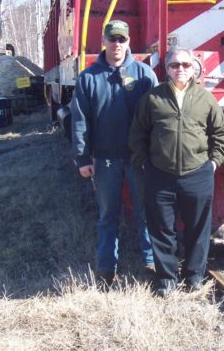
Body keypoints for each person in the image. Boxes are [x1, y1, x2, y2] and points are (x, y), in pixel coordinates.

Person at [129, 48, 224, 297]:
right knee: (162, 228)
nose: (180, 69)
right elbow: (137, 134)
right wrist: (144, 163)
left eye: (185, 64)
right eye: (175, 65)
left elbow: (220, 134)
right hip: (160, 174)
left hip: (197, 173)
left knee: (197, 228)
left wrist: (213, 163)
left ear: (193, 68)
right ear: (166, 69)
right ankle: (167, 278)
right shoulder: (153, 99)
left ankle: (194, 275)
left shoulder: (205, 99)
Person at [71, 19, 158, 285]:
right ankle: (106, 269)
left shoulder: (144, 75)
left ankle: (151, 264)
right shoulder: (88, 78)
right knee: (108, 215)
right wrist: (83, 158)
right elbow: (79, 120)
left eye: (122, 39)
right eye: (113, 39)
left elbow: (158, 117)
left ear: (128, 42)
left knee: (145, 212)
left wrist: (156, 155)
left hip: (138, 159)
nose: (117, 44)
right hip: (106, 159)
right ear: (104, 41)